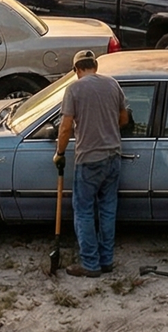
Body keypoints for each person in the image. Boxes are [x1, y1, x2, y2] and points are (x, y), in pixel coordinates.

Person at [53, 49, 130, 277]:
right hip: (113, 157)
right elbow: (124, 119)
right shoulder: (112, 84)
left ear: (77, 70)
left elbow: (65, 127)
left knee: (84, 211)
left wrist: (59, 152)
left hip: (88, 160)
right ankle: (106, 261)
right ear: (95, 66)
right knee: (108, 210)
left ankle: (90, 264)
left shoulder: (74, 89)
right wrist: (105, 122)